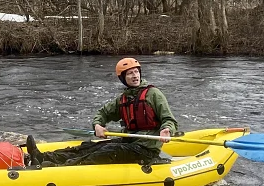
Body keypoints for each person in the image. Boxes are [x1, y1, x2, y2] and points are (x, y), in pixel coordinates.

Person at [26, 57, 178, 167]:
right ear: (123, 78)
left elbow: (169, 120)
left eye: (136, 72)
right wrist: (98, 125)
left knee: (105, 152)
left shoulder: (154, 94)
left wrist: (166, 130)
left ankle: (57, 168)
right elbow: (103, 113)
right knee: (89, 146)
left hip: (146, 149)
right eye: (130, 73)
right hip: (129, 142)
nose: (135, 76)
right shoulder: (123, 99)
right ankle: (43, 157)